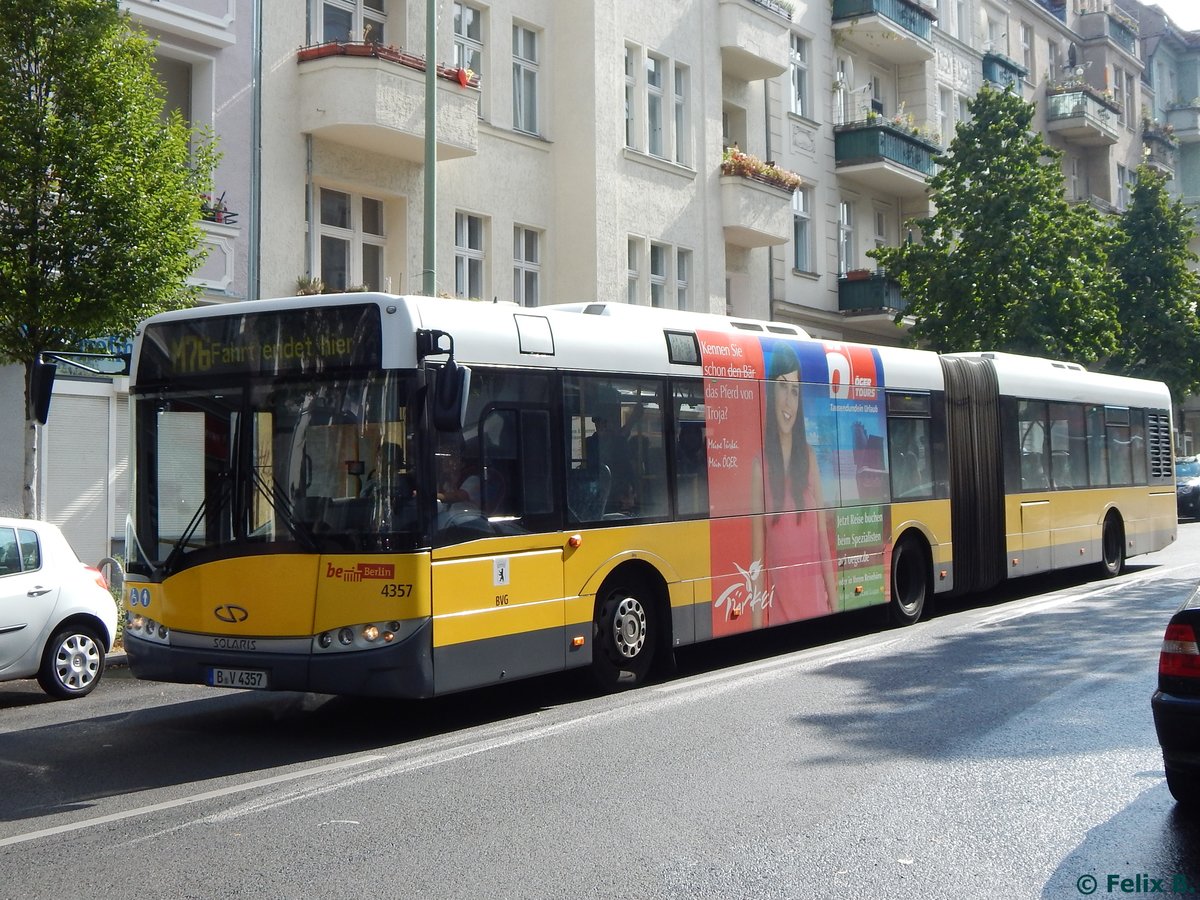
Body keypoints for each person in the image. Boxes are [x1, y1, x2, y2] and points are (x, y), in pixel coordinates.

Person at [750, 342, 837, 626]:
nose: (789, 401)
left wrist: (837, 610)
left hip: (818, 611)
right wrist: (754, 627)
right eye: (782, 386)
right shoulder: (759, 468)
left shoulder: (809, 459)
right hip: (779, 618)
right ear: (770, 393)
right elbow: (757, 565)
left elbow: (824, 544)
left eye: (795, 390)